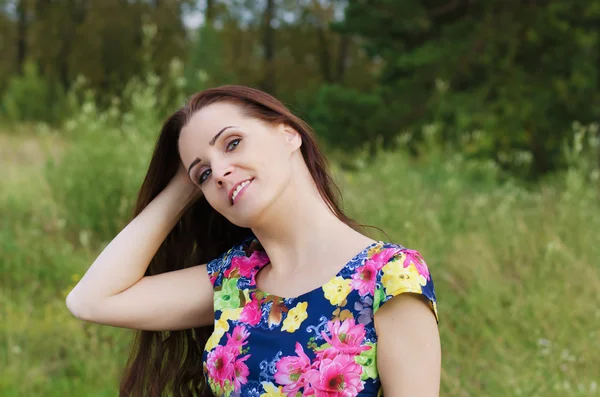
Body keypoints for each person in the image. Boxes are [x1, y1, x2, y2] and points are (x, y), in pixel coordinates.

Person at [66, 85, 441, 397]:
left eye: (232, 144)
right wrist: (184, 184)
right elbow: (91, 300)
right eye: (204, 173)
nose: (220, 173)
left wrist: (203, 167)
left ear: (288, 133)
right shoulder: (234, 280)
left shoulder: (389, 276)